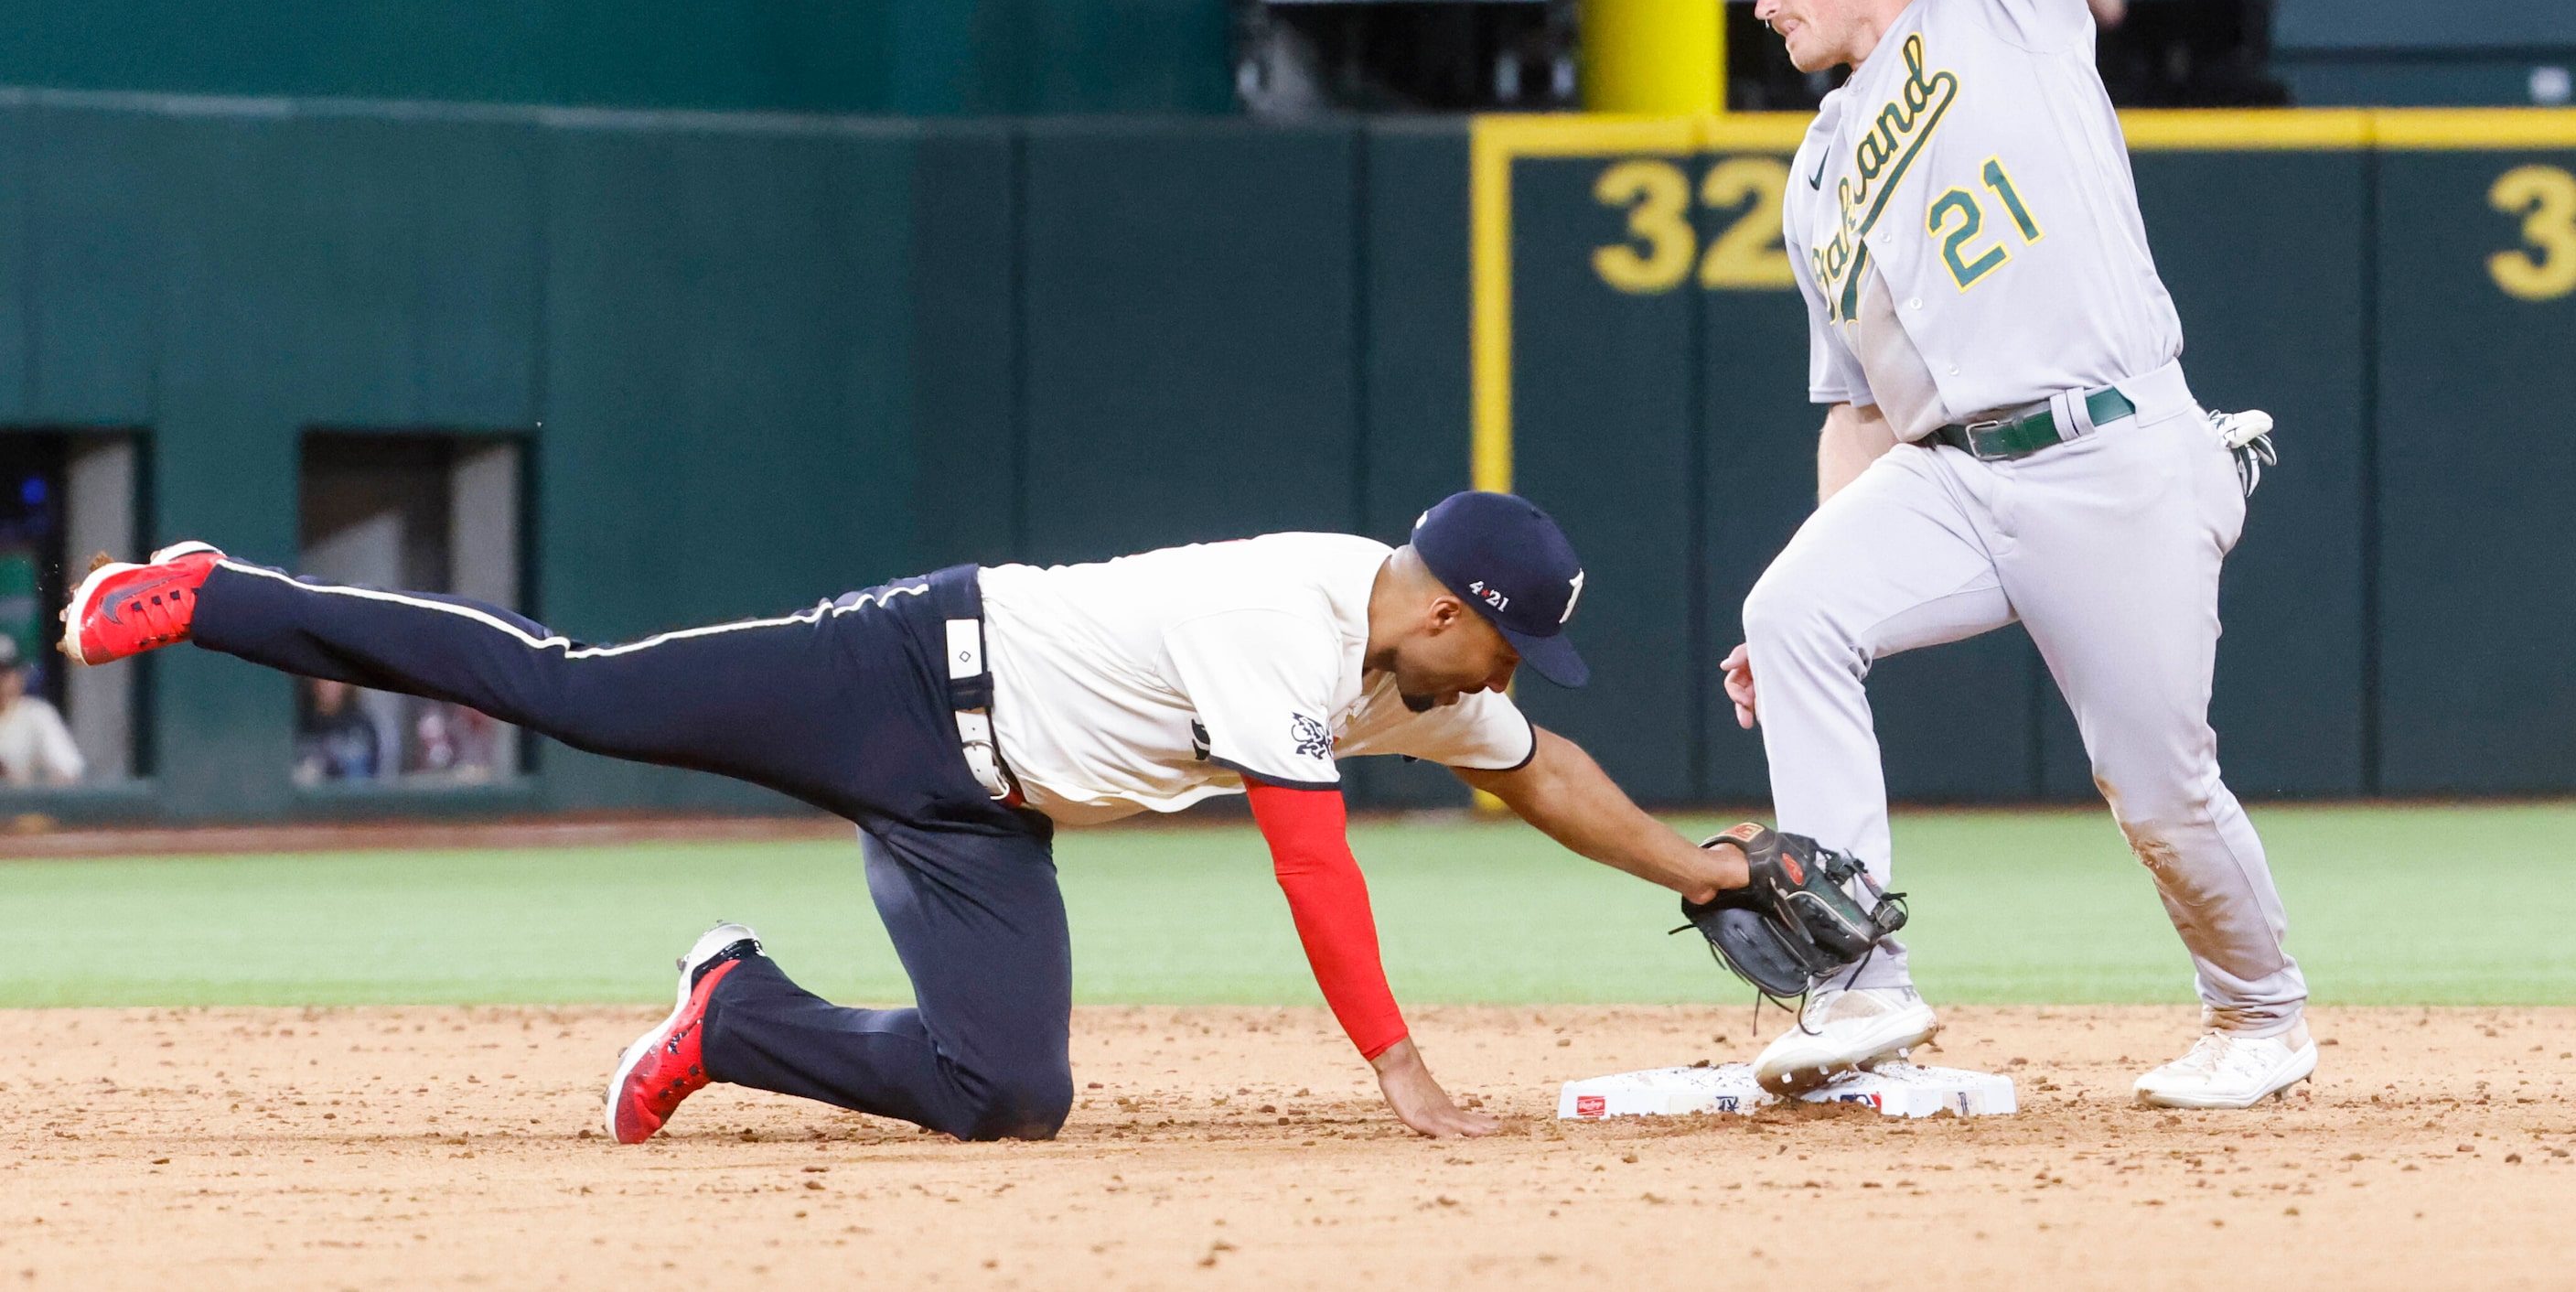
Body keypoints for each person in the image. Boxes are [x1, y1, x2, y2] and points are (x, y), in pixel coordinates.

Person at [61, 495, 1750, 1143]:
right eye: (1504, 639)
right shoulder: (1288, 612)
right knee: (574, 689)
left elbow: (1537, 768)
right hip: (889, 673)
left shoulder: (1422, 673)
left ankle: (736, 1017)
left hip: (983, 816)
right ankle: (218, 593)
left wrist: (1702, 866)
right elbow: (1310, 855)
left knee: (1006, 1091)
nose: (1504, 675)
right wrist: (1399, 1066)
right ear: (1450, 604)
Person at [1685, 0, 2312, 1108]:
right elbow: (1855, 405)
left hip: (2113, 443)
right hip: (1958, 468)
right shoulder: (1818, 168)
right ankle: (1856, 989)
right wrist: (1819, 569)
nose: (1759, 2)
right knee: (1792, 614)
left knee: (2156, 782)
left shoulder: (2004, 0)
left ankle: (2260, 1014)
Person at [0, 636, 80, 785]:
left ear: (18, 676)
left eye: (3, 674)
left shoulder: (37, 715)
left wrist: (29, 776)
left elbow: (69, 771)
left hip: (23, 805)